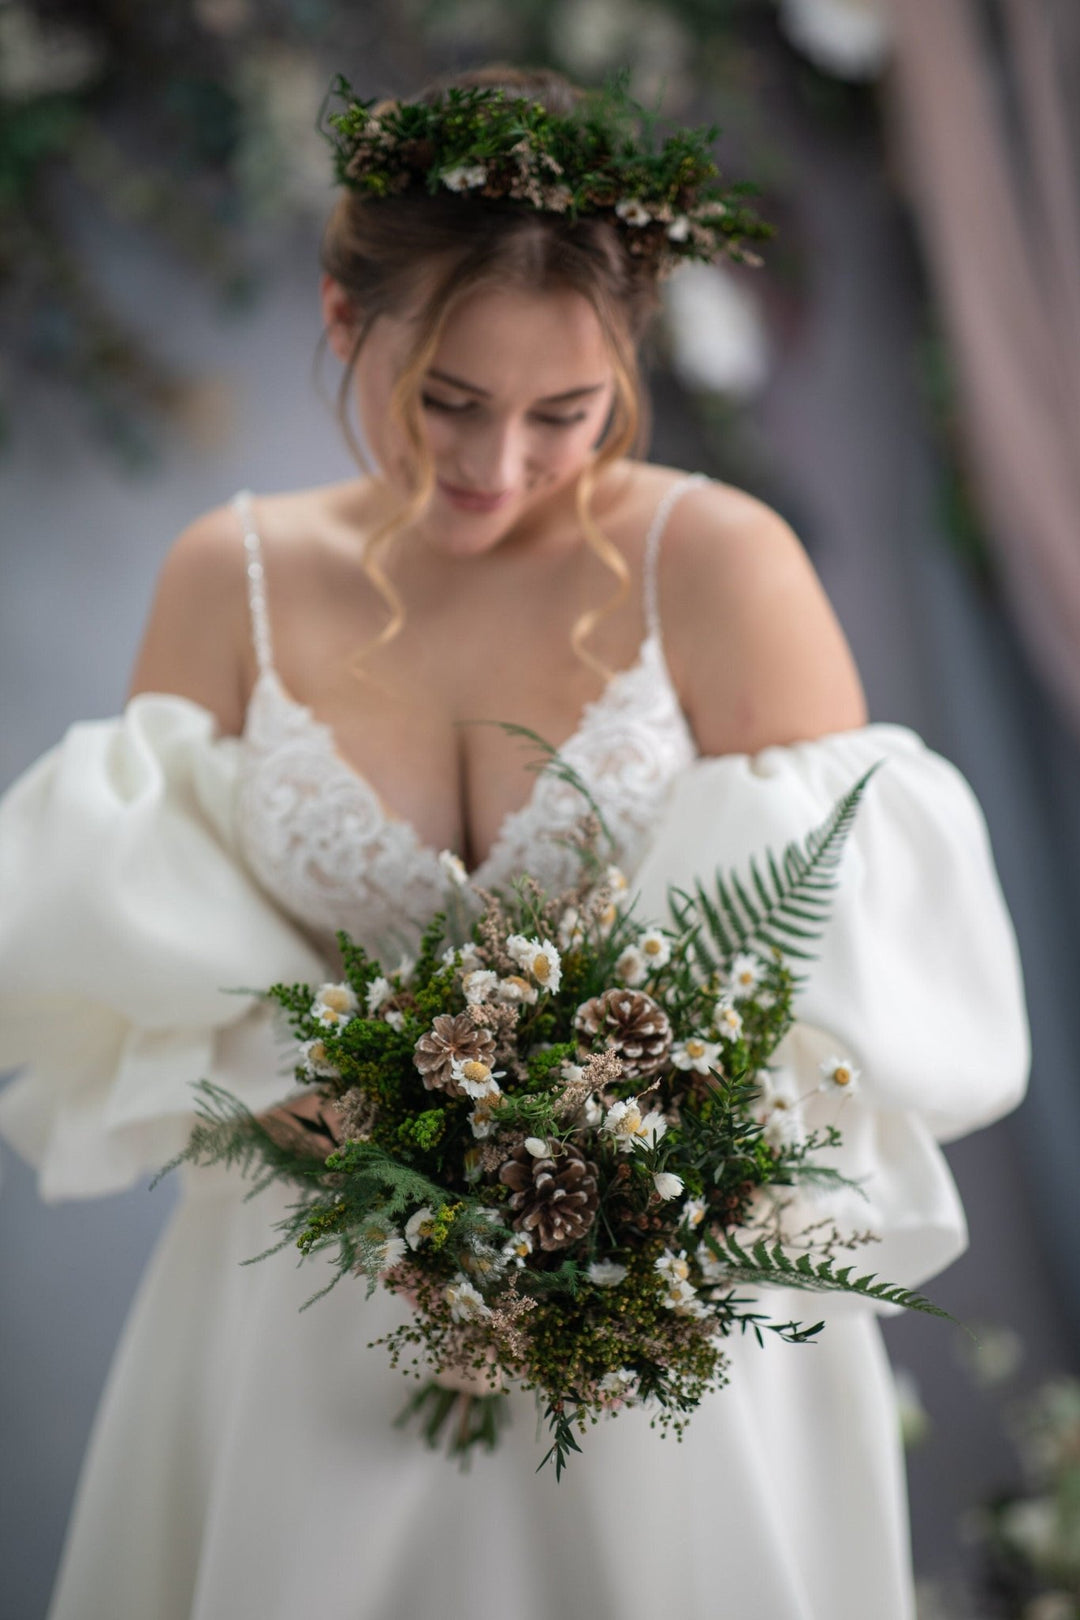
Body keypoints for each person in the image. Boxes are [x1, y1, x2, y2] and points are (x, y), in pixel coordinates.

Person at [0, 63, 1029, 1620]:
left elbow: (836, 991)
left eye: (567, 413)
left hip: (654, 1329)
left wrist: (625, 1164)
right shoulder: (232, 580)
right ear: (345, 320)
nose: (496, 468)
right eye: (448, 402)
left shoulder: (723, 566)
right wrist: (320, 1114)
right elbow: (130, 958)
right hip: (316, 1310)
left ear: (632, 357)